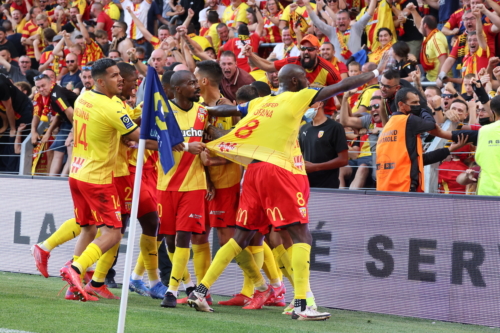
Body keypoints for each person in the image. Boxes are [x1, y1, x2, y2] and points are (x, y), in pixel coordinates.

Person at [187, 57, 388, 319]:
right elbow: (340, 85)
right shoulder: (298, 96)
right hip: (279, 170)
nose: (309, 83)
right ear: (295, 81)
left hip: (254, 172)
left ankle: (200, 291)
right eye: (305, 79)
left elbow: (227, 111)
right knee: (302, 235)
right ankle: (304, 304)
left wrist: (200, 111)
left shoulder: (262, 102)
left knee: (242, 237)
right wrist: (374, 72)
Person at [58, 58, 144, 302]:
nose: (120, 79)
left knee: (88, 229)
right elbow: (139, 137)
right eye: (114, 75)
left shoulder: (83, 97)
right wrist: (181, 145)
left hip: (77, 173)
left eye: (120, 75)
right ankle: (74, 270)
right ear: (100, 81)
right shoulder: (110, 106)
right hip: (97, 177)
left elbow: (115, 128)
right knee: (114, 234)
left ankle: (73, 289)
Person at [157, 70, 208, 308]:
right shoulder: (163, 112)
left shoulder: (203, 111)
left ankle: (171, 291)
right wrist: (187, 146)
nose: (196, 86)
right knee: (169, 240)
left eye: (196, 82)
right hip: (166, 183)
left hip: (194, 184)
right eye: (191, 83)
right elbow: (147, 140)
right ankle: (187, 284)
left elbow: (210, 136)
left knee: (184, 236)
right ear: (177, 88)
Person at [376, 88, 465, 192]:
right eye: (414, 102)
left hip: (384, 188)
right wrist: (424, 109)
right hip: (403, 186)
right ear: (401, 104)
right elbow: (432, 124)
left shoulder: (388, 126)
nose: (417, 105)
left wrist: (448, 150)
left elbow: (421, 160)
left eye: (419, 102)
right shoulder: (409, 120)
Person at [244, 34, 341, 116]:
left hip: (323, 114)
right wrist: (251, 55)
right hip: (298, 111)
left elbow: (341, 94)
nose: (306, 52)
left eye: (310, 49)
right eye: (303, 48)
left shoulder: (329, 70)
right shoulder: (293, 61)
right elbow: (269, 66)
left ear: (317, 51)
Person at [32, 74, 76, 177]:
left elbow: (71, 113)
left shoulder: (56, 94)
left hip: (79, 120)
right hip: (67, 121)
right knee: (57, 149)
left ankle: (65, 178)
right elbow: (59, 115)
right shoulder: (47, 95)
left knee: (70, 146)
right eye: (38, 87)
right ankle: (52, 178)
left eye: (43, 86)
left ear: (51, 83)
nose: (41, 89)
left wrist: (74, 131)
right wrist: (47, 132)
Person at [306, 0, 377, 63]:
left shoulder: (356, 28)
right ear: (336, 22)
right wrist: (307, 4)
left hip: (355, 69)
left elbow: (369, 14)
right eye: (339, 19)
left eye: (343, 19)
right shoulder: (331, 31)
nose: (341, 21)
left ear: (349, 20)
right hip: (338, 70)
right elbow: (317, 22)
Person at [299, 99, 349, 188]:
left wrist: (315, 167)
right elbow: (300, 154)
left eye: (309, 102)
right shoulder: (304, 128)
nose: (305, 105)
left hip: (328, 187)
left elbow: (343, 160)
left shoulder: (335, 127)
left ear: (320, 103)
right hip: (306, 185)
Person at [419, 15, 449, 82]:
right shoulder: (427, 36)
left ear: (425, 25)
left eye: (421, 24)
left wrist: (438, 80)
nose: (419, 26)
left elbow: (443, 61)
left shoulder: (436, 39)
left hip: (437, 79)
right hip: (429, 77)